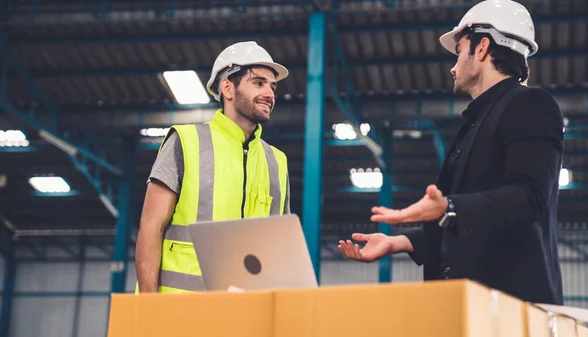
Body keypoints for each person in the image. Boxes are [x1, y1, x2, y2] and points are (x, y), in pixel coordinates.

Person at [338, 0, 565, 305]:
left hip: (510, 309)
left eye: (459, 51)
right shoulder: (477, 121)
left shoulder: (530, 105)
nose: (453, 66)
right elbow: (471, 218)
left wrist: (449, 206)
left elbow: (529, 198)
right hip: (471, 308)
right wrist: (398, 242)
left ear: (482, 48)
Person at [135, 41, 291, 293]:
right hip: (180, 315)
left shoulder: (276, 161)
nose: (270, 94)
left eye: (272, 86)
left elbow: (280, 247)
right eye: (259, 83)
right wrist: (148, 306)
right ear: (227, 87)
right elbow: (152, 225)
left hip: (245, 318)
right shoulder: (186, 142)